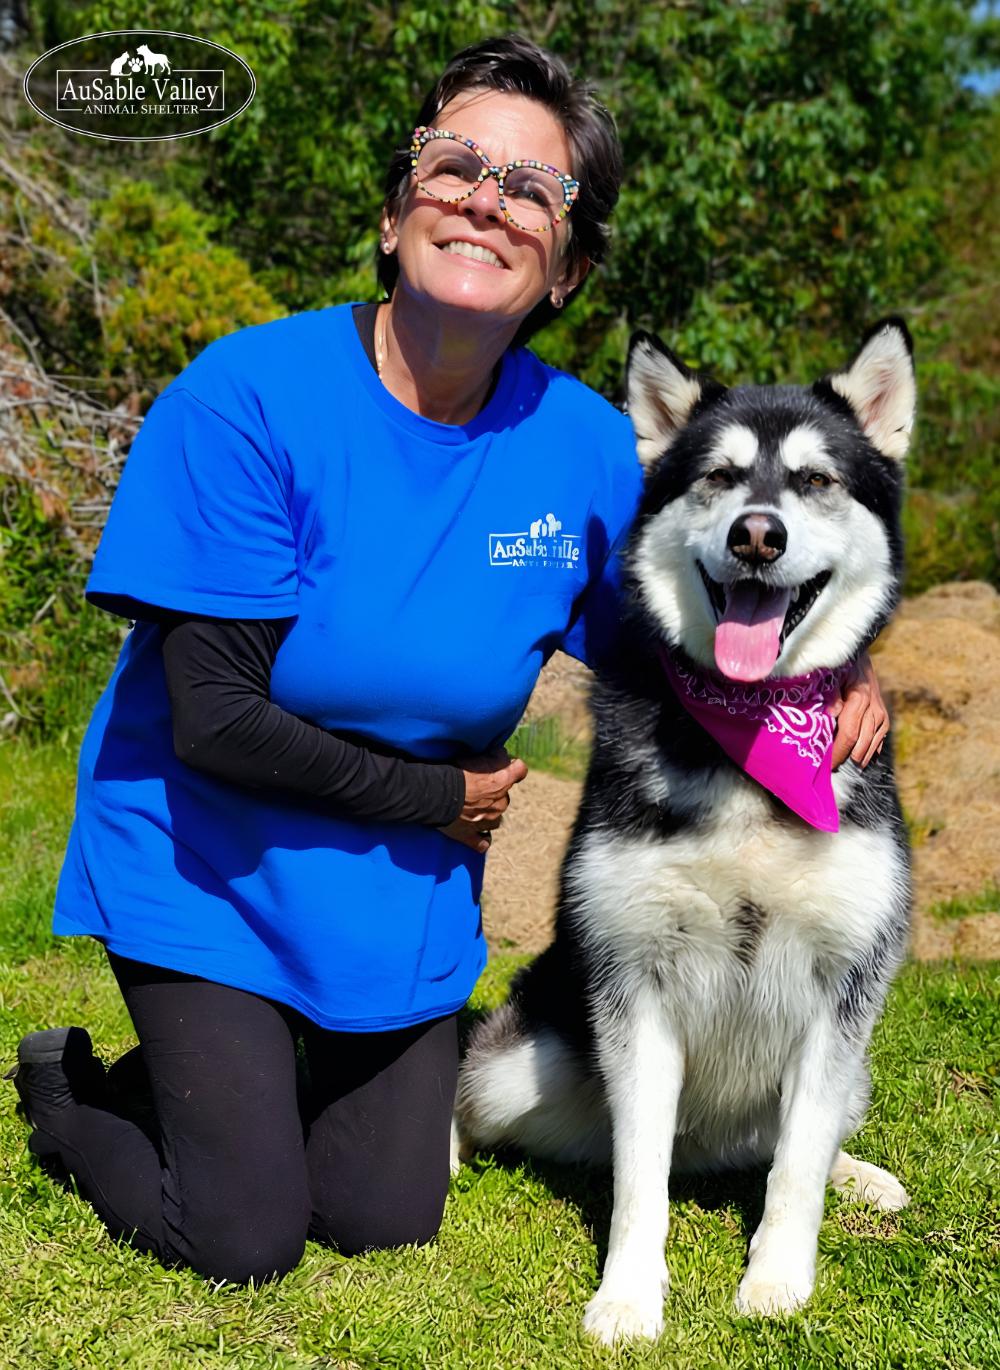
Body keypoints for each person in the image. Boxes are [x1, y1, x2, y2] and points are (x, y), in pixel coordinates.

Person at [7, 35, 889, 1286]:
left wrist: (825, 667)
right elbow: (210, 715)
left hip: (389, 887)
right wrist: (441, 799)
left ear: (567, 269)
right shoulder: (246, 397)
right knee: (244, 1234)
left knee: (382, 1212)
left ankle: (243, 1072)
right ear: (390, 211)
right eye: (455, 164)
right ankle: (71, 1089)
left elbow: (680, 650)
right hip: (203, 854)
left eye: (532, 188)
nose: (486, 197)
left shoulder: (586, 451)